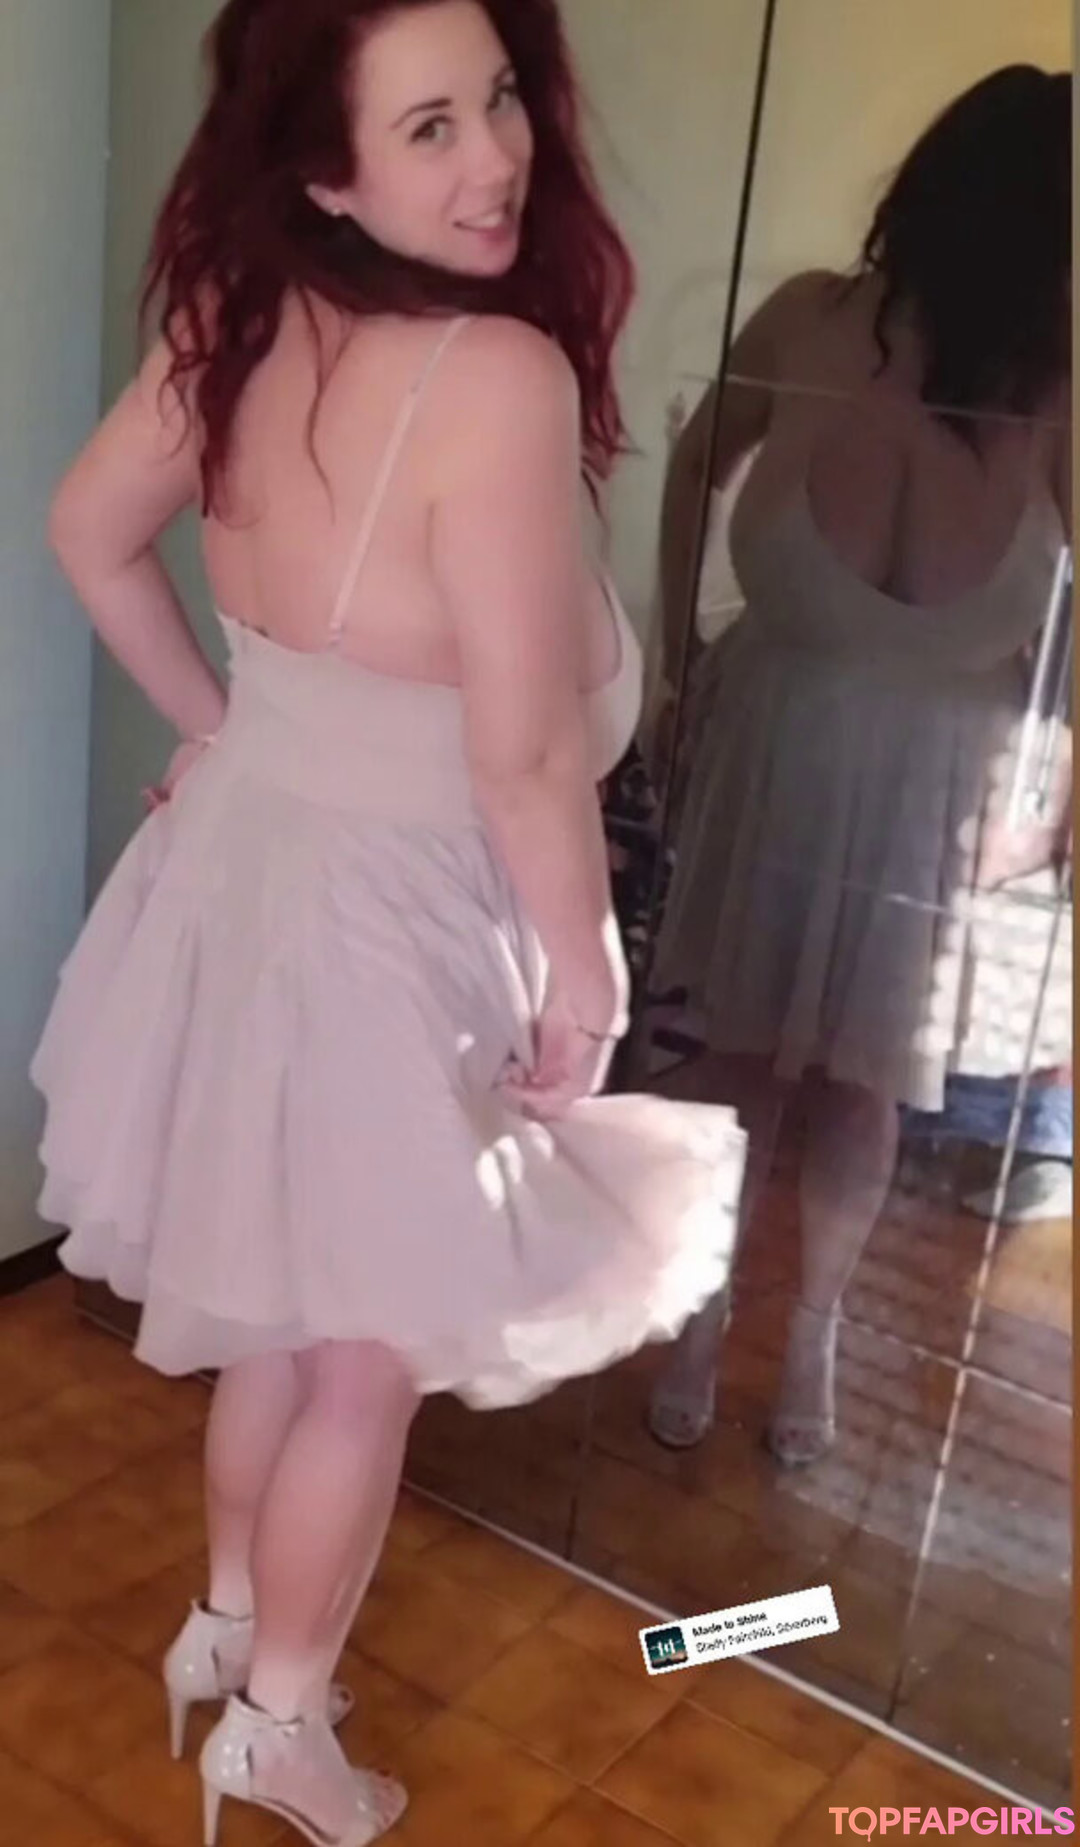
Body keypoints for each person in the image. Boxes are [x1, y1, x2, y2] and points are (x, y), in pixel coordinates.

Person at [32, 3, 745, 1841]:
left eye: (497, 99)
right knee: (358, 1361)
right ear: (326, 171)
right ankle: (277, 1726)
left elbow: (88, 532)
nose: (498, 156)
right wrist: (587, 970)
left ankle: (225, 1633)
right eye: (428, 127)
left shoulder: (237, 315)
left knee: (274, 1316)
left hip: (246, 880)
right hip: (390, 917)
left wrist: (226, 731)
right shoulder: (491, 378)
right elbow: (523, 752)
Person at [644, 65, 1072, 1463]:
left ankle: (815, 1333)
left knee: (861, 1081)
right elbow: (693, 461)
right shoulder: (811, 318)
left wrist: (1060, 791)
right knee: (741, 1060)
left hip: (939, 790)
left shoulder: (1059, 394)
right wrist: (671, 661)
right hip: (776, 739)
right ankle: (703, 1309)